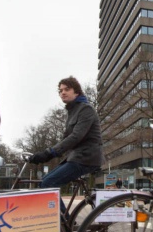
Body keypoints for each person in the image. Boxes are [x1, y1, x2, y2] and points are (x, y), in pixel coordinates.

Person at [29, 76, 104, 208]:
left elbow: (76, 136)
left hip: (86, 157)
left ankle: (64, 224)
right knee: (43, 182)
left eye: (67, 89)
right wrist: (44, 153)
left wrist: (49, 153)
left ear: (76, 92)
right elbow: (65, 139)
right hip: (76, 157)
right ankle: (62, 222)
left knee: (48, 183)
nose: (62, 92)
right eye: (60, 90)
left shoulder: (86, 109)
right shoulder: (72, 111)